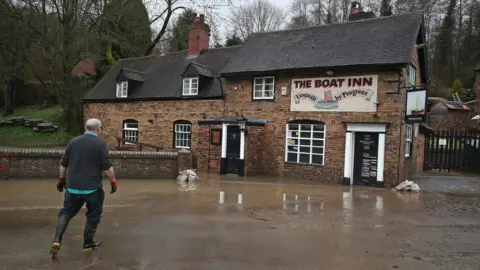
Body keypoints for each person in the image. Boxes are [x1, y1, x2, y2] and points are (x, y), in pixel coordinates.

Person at [49, 118, 118, 256]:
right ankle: (87, 243)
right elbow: (107, 168)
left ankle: (57, 239)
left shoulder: (73, 142)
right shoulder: (100, 144)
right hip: (92, 188)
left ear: (85, 128)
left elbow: (63, 164)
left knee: (66, 212)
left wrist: (62, 180)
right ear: (98, 129)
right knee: (93, 215)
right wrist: (113, 182)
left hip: (72, 187)